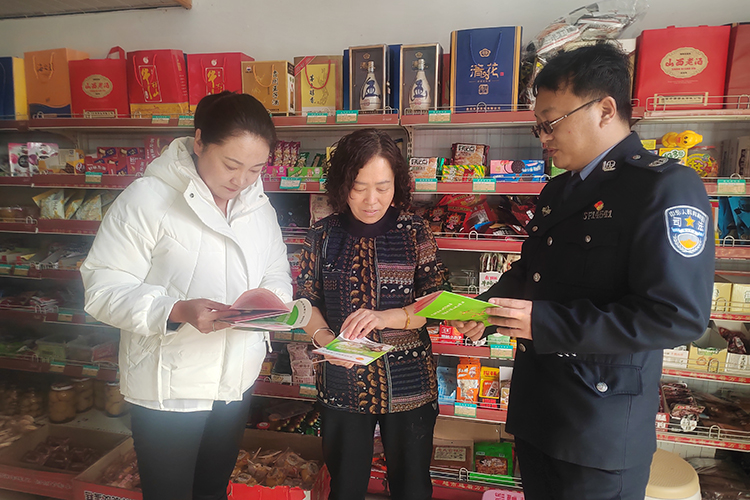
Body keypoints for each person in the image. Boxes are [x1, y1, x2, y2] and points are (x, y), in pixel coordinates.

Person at [450, 43, 714, 499]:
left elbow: (678, 316)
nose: (543, 136)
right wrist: (486, 307)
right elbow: (533, 271)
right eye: (538, 125)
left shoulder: (663, 187)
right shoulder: (558, 191)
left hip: (599, 428)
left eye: (551, 122)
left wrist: (543, 322)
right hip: (539, 413)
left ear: (605, 110)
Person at [81, 91, 292, 500]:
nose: (242, 180)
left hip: (235, 383)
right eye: (231, 164)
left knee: (212, 491)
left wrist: (268, 301)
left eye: (255, 169)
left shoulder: (258, 207)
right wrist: (175, 310)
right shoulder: (146, 199)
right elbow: (103, 288)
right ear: (199, 142)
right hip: (170, 387)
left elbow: (276, 270)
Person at [296, 128, 449, 500]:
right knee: (345, 487)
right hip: (343, 384)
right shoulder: (323, 235)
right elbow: (304, 302)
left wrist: (386, 317)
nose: (371, 200)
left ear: (398, 184)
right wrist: (327, 341)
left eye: (383, 187)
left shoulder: (415, 232)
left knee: (412, 488)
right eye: (359, 187)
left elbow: (435, 303)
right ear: (341, 184)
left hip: (409, 385)